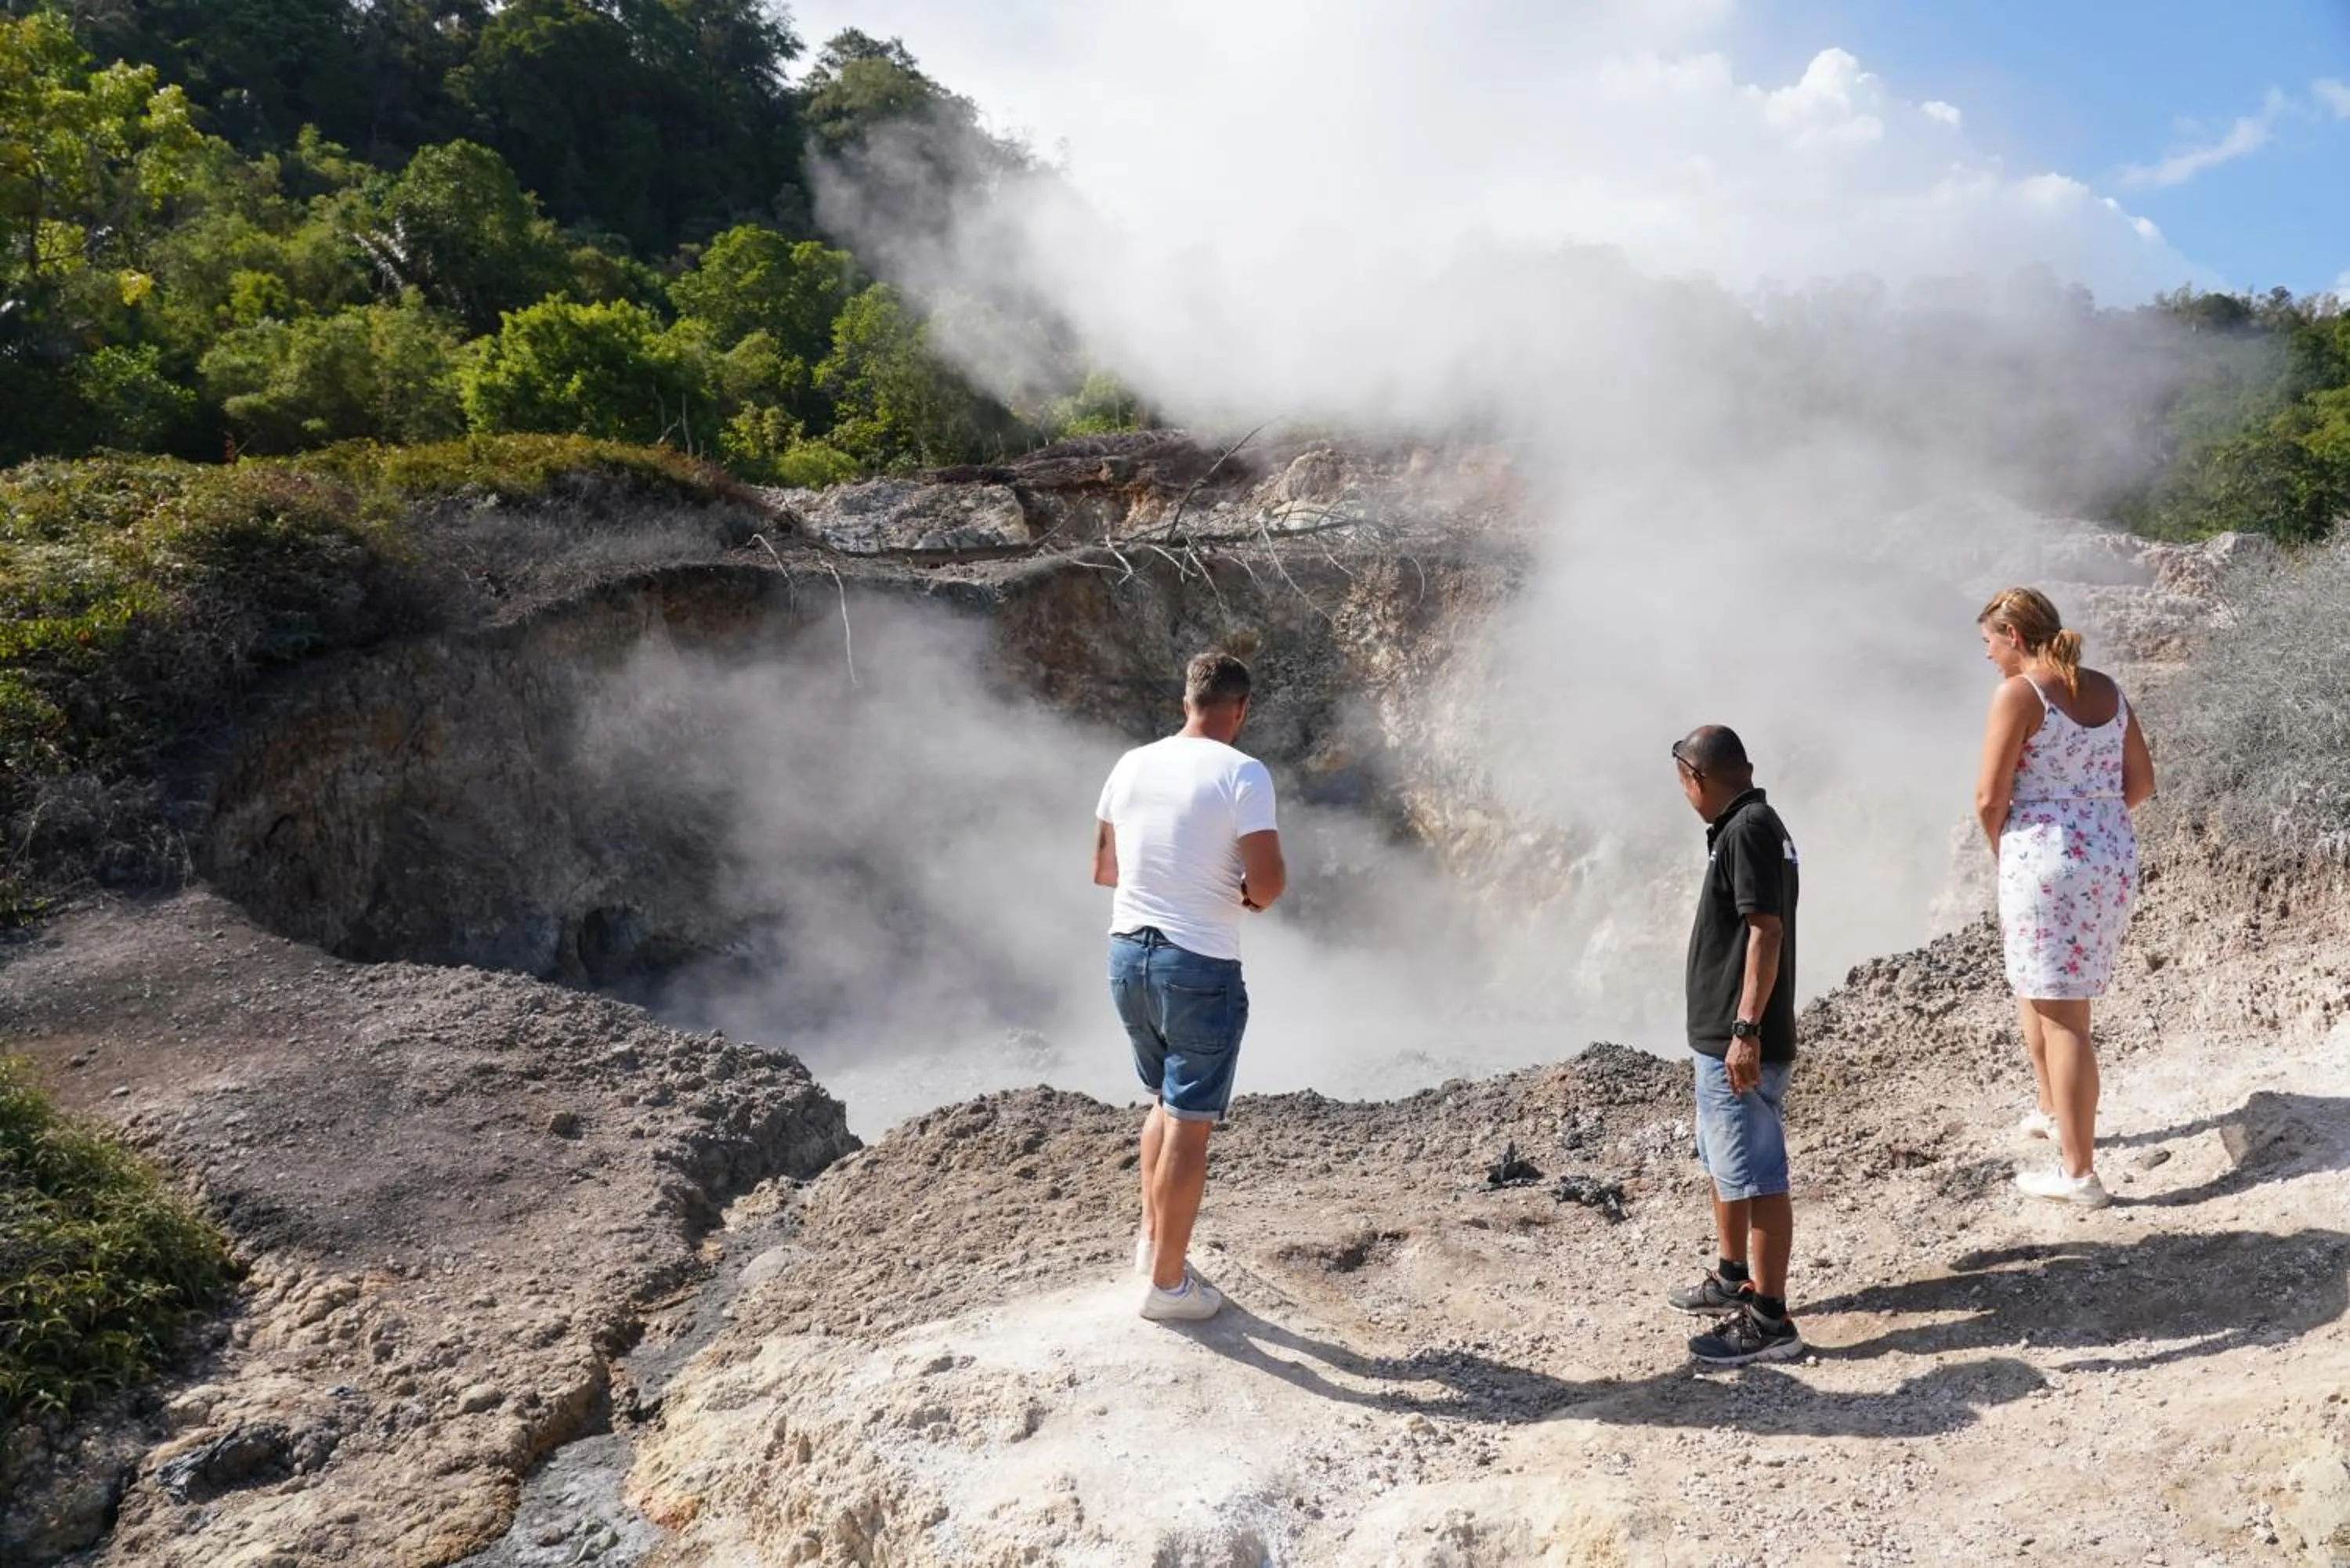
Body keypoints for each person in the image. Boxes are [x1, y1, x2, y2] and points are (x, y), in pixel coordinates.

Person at [1094, 652, 1286, 1322]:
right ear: (1241, 709)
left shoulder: (1130, 764)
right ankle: (1169, 1287)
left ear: (1186, 702)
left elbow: (1104, 867)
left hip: (1127, 955)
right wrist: (1243, 899)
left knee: (1163, 1100)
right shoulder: (1244, 772)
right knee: (1191, 1122)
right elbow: (1265, 882)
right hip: (1197, 961)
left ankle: (1152, 1247)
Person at [1974, 587, 2155, 1208]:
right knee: (2040, 988)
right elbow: (2143, 783)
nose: (1990, 657)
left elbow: (1988, 799)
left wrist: (2019, 844)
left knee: (2065, 1015)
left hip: (2044, 859)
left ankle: (2079, 1176)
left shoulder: (2020, 693)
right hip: (2109, 851)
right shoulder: (2107, 688)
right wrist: (2091, 825)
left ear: (2015, 637)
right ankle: (2052, 1110)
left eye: (1990, 644)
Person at [1667, 724, 1805, 1367]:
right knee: (1726, 1162)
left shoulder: (1748, 830)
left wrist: (1745, 1030)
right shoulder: (1748, 824)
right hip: (1721, 1038)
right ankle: (1731, 1278)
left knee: (1761, 1171)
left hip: (1738, 1039)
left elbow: (1765, 931)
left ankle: (1770, 1317)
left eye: (1682, 780)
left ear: (1695, 778)